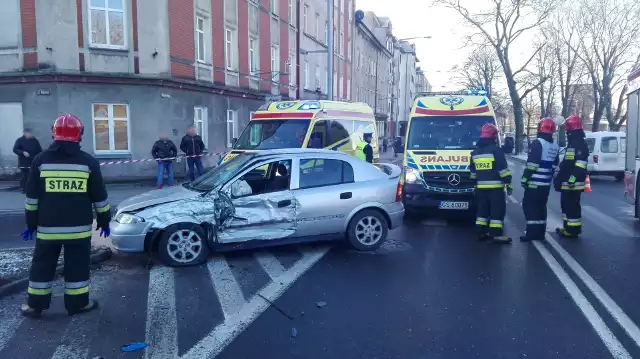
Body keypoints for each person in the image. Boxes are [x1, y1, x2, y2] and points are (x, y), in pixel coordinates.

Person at [21, 114, 111, 318]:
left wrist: (31, 224)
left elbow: (32, 198)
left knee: (42, 266)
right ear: (79, 134)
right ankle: (78, 304)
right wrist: (104, 221)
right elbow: (100, 197)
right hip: (78, 231)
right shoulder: (88, 162)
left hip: (47, 228)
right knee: (77, 267)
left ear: (54, 133)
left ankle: (35, 306)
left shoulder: (40, 160)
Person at [469, 123, 513, 243]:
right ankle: (496, 235)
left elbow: (472, 173)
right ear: (493, 136)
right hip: (495, 188)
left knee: (482, 211)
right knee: (497, 212)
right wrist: (508, 181)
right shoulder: (496, 150)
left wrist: (475, 185)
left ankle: (480, 232)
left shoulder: (475, 152)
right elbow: (502, 169)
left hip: (480, 189)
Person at [520, 118, 559, 242]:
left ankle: (531, 233)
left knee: (529, 206)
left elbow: (532, 165)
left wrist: (525, 178)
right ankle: (540, 233)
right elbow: (554, 164)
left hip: (534, 183)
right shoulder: (554, 145)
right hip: (545, 184)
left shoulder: (538, 143)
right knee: (541, 207)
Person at [554, 115, 589, 238]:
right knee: (566, 205)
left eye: (567, 128)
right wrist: (559, 178)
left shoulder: (578, 144)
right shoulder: (574, 143)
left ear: (570, 128)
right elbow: (567, 164)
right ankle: (568, 227)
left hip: (573, 183)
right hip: (569, 182)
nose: (566, 131)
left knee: (572, 206)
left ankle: (573, 230)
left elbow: (579, 166)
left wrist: (571, 179)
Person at [13, 128, 42, 193]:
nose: (31, 134)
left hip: (33, 161)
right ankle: (23, 188)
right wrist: (23, 152)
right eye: (30, 133)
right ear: (25, 133)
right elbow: (15, 149)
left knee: (32, 176)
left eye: (31, 133)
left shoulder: (35, 141)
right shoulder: (20, 140)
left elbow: (40, 150)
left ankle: (32, 188)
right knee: (24, 176)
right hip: (24, 162)